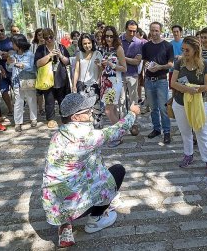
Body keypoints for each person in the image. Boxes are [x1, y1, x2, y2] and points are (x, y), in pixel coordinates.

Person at [41, 92, 140, 248]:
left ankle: (64, 223)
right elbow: (116, 132)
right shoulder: (85, 136)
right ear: (75, 117)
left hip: (55, 204)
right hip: (74, 202)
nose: (91, 112)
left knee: (88, 167)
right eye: (87, 111)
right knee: (118, 171)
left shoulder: (59, 134)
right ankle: (96, 219)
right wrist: (132, 113)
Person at [170, 36, 207, 177]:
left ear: (196, 50)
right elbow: (173, 83)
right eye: (183, 49)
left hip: (199, 103)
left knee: (201, 132)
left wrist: (191, 89)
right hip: (180, 102)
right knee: (185, 132)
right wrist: (187, 89)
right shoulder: (179, 63)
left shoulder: (205, 65)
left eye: (187, 50)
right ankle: (188, 155)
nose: (184, 52)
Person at [142, 21, 174, 144]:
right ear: (149, 31)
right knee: (153, 108)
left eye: (157, 30)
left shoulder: (167, 46)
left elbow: (171, 64)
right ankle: (156, 129)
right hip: (149, 80)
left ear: (160, 31)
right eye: (152, 30)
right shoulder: (146, 46)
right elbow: (144, 60)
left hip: (161, 81)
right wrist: (146, 65)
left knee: (163, 108)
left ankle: (167, 132)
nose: (154, 33)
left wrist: (159, 67)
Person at [34, 28, 71, 128]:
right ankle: (50, 118)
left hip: (61, 77)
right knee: (49, 100)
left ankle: (65, 116)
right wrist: (49, 56)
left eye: (51, 37)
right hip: (47, 78)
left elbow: (68, 61)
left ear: (54, 36)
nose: (49, 40)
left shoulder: (61, 47)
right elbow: (37, 63)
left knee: (62, 98)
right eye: (46, 38)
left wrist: (60, 55)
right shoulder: (41, 49)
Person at [100, 26, 127, 146]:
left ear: (115, 36)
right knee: (113, 110)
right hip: (105, 82)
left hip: (114, 83)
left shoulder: (118, 49)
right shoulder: (105, 48)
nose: (109, 38)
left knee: (108, 110)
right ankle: (118, 134)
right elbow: (105, 68)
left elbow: (124, 68)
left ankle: (119, 135)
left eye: (111, 36)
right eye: (107, 36)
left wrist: (111, 64)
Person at [6, 34, 37, 132]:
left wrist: (22, 66)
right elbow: (9, 69)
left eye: (13, 43)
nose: (12, 45)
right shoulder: (13, 55)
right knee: (18, 102)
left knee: (31, 100)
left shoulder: (30, 54)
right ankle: (18, 122)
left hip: (28, 79)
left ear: (19, 43)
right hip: (16, 81)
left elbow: (32, 68)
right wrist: (8, 63)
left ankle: (33, 119)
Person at [120, 20, 143, 135]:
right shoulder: (118, 41)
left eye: (135, 31)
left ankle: (134, 124)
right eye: (130, 31)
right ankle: (123, 125)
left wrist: (123, 58)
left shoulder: (139, 43)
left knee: (133, 101)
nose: (132, 33)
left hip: (133, 75)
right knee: (121, 101)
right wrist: (129, 59)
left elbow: (137, 62)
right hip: (119, 75)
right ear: (125, 29)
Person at [0, 23, 14, 116]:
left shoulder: (11, 40)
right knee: (3, 90)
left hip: (12, 69)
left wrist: (8, 54)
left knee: (16, 89)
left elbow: (15, 51)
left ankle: (19, 107)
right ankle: (10, 109)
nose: (0, 32)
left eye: (1, 30)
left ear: (4, 30)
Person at [31, 28, 46, 116]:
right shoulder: (33, 46)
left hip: (47, 72)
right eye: (39, 35)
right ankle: (40, 108)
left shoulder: (49, 44)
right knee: (39, 91)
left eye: (43, 35)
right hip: (36, 71)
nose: (41, 37)